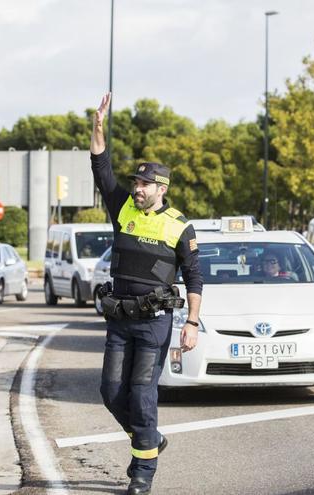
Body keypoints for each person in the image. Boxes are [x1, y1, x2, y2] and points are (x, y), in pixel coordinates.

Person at [90, 93, 202, 495]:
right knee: (110, 392)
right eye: (136, 182)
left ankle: (142, 474)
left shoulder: (179, 227)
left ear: (161, 188)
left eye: (143, 184)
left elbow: (194, 278)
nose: (136, 188)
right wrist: (98, 127)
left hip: (154, 324)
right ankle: (149, 439)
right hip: (120, 319)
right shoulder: (122, 208)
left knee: (141, 394)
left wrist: (191, 323)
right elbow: (101, 168)